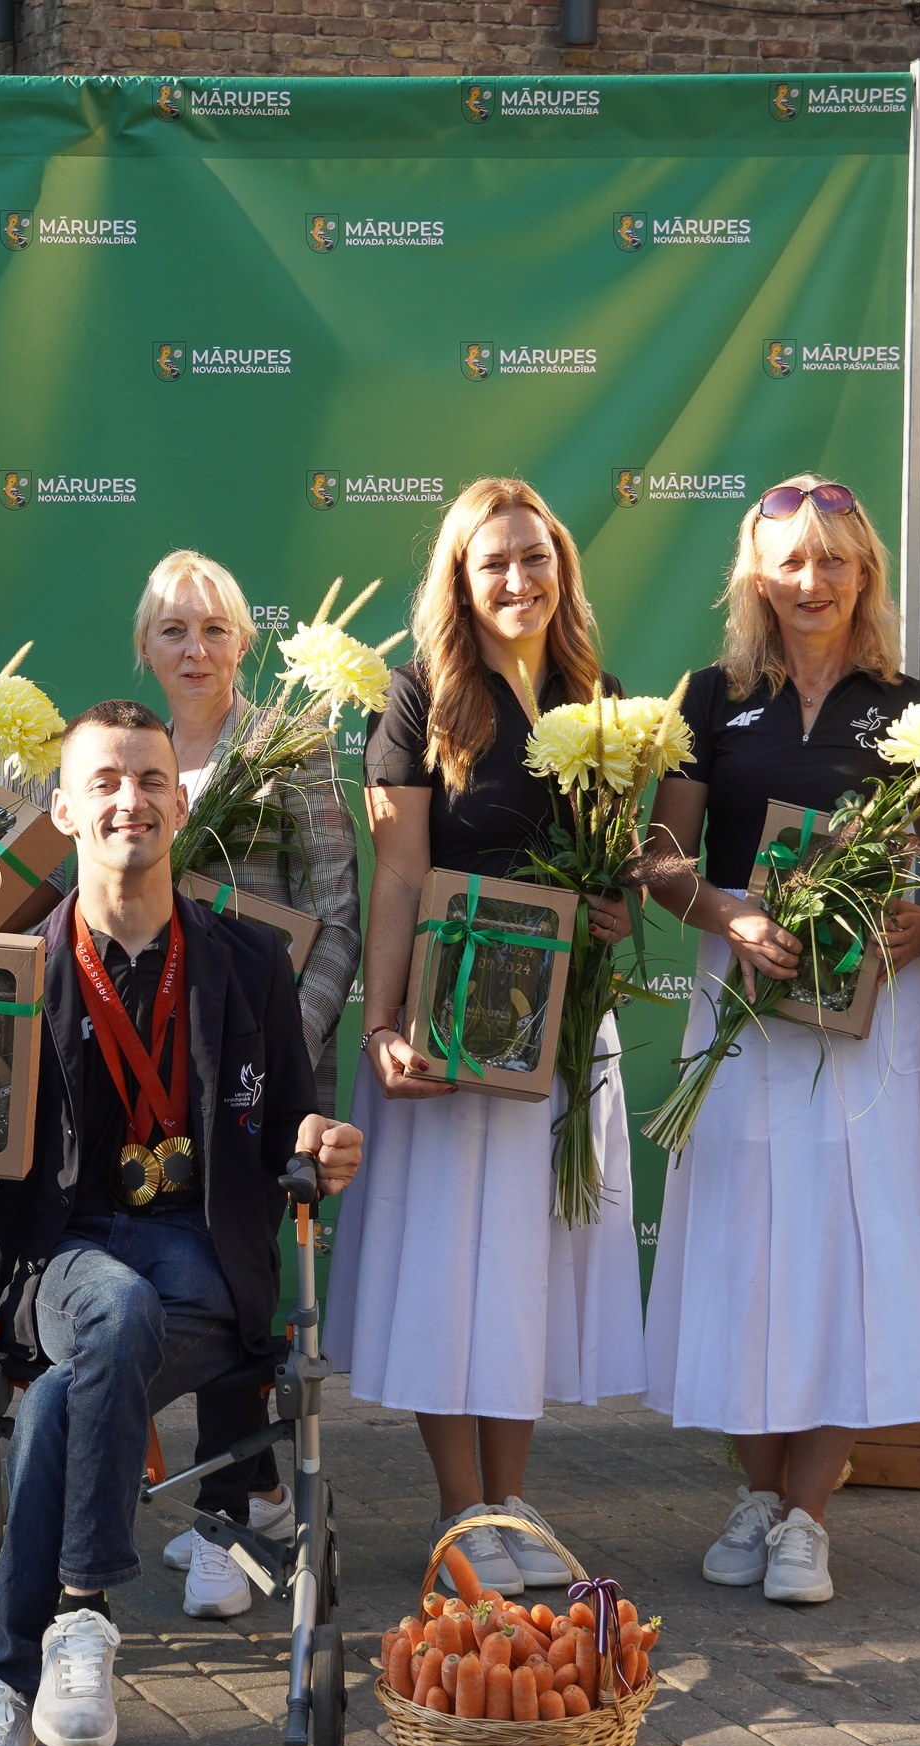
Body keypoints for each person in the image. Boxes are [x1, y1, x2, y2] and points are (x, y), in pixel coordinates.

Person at [0, 700, 363, 1746]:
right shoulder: (4, 971)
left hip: (204, 1259)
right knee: (103, 1319)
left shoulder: (252, 963)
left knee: (73, 1384)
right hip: (60, 1259)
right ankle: (69, 1621)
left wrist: (321, 1142)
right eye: (105, 781)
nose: (130, 800)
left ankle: (17, 1672)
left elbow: (295, 1122)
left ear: (182, 802)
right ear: (63, 810)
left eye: (151, 779)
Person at [638, 477, 920, 1604]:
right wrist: (727, 913)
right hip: (748, 1006)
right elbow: (658, 858)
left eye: (834, 560)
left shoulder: (917, 704)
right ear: (757, 575)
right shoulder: (709, 697)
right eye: (790, 560)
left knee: (849, 1251)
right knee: (753, 1253)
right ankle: (755, 1492)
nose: (812, 581)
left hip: (869, 1020)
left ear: (866, 574)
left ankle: (807, 1514)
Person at [327, 477, 643, 1598]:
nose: (518, 579)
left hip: (563, 1022)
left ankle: (510, 1498)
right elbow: (401, 871)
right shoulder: (419, 700)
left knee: (523, 1268)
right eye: (493, 561)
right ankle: (460, 1507)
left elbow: (621, 866)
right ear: (459, 581)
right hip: (452, 1020)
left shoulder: (600, 699)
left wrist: (617, 908)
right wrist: (381, 1022)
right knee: (446, 1262)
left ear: (563, 566)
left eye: (535, 557)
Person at [132, 550, 362, 1620]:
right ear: (146, 644)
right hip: (143, 1071)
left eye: (215, 628)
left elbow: (339, 916)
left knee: (238, 1277)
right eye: (174, 629)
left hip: (256, 1074)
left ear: (245, 642)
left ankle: (224, 1516)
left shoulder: (294, 752)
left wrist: (284, 1048)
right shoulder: (130, 759)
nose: (194, 648)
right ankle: (258, 1486)